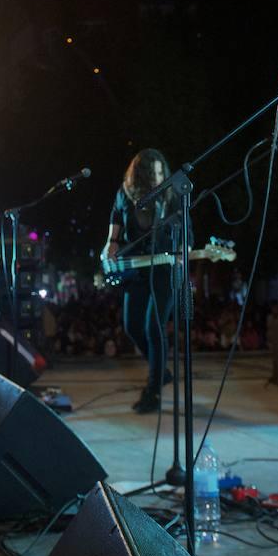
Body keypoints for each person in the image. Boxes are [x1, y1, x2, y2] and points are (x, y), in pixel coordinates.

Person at [101, 148, 182, 414]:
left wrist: (182, 247)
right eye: (153, 174)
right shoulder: (126, 192)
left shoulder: (171, 195)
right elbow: (115, 213)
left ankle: (153, 391)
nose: (159, 178)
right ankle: (161, 372)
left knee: (153, 327)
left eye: (162, 173)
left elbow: (185, 227)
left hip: (164, 268)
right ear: (141, 176)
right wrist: (111, 241)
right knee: (132, 326)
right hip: (137, 268)